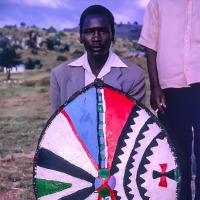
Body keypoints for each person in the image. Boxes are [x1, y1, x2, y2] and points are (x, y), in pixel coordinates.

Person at [138, 0, 200, 199]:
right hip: (170, 90)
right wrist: (156, 86)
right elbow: (150, 45)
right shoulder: (158, 2)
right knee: (175, 156)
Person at [50, 5, 146, 113]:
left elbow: (135, 124)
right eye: (89, 32)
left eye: (103, 31)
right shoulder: (60, 75)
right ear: (81, 37)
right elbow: (57, 124)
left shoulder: (134, 76)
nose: (96, 38)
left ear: (112, 35)